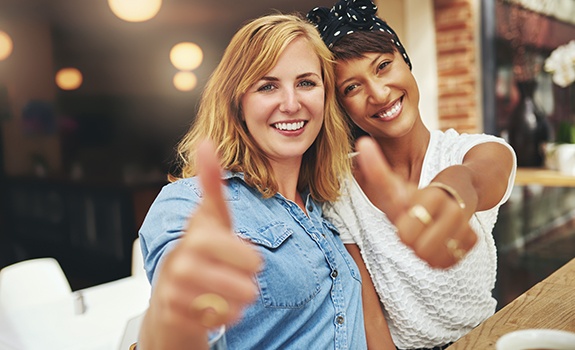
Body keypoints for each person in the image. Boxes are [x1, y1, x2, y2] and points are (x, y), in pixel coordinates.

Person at [137, 13, 370, 349]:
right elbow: (175, 320)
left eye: (306, 82)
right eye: (267, 86)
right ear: (237, 103)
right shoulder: (189, 202)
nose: (292, 104)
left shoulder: (327, 200)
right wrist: (174, 316)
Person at [306, 1, 517, 349]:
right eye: (352, 88)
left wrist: (449, 194)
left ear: (406, 61)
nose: (378, 93)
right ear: (340, 107)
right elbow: (369, 315)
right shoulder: (339, 187)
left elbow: (477, 176)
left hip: (484, 338)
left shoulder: (473, 150)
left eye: (383, 66)